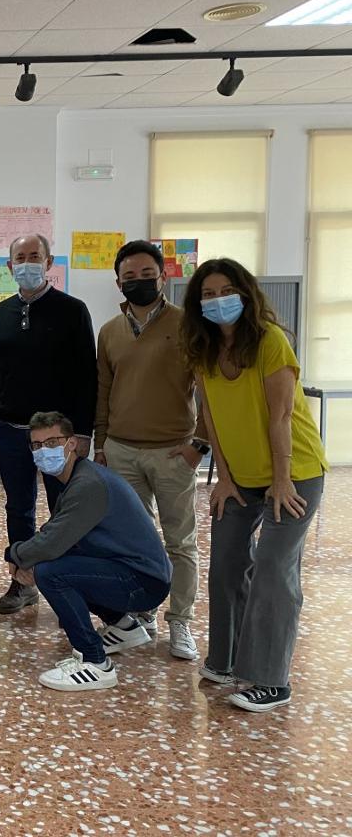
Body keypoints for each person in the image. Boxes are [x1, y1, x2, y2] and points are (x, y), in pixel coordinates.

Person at [183, 259, 328, 712]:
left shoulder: (270, 342)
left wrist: (282, 482)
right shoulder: (203, 349)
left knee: (272, 567)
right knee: (226, 562)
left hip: (295, 473)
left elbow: (281, 416)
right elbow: (210, 417)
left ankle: (271, 680)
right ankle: (226, 660)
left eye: (226, 291)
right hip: (240, 478)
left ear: (245, 294)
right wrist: (224, 478)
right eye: (208, 294)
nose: (217, 300)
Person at [4, 411, 171, 692]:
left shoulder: (87, 484)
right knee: (59, 563)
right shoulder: (79, 477)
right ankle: (124, 627)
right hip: (137, 573)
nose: (43, 451)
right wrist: (25, 555)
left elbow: (51, 542)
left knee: (51, 573)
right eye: (36, 445)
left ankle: (95, 662)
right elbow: (55, 531)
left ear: (71, 444)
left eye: (52, 442)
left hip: (143, 582)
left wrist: (15, 555)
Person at [95, 240, 205, 661]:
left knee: (180, 542)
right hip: (122, 451)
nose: (138, 281)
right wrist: (102, 444)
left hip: (174, 452)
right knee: (135, 541)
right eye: (129, 276)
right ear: (118, 282)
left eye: (146, 274)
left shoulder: (188, 325)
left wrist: (199, 445)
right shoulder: (110, 331)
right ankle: (142, 614)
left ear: (163, 276)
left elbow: (208, 388)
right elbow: (104, 391)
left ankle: (181, 621)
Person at [0, 234, 96, 616]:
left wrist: (83, 432)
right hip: (10, 431)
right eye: (20, 257)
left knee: (65, 509)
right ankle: (23, 581)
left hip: (58, 437)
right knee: (18, 509)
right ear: (9, 265)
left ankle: (68, 585)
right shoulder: (0, 313)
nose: (27, 263)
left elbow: (87, 376)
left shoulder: (73, 310)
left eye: (34, 256)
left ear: (48, 263)